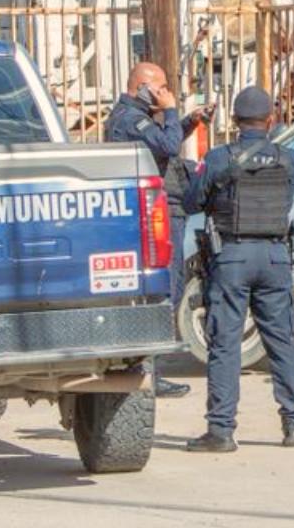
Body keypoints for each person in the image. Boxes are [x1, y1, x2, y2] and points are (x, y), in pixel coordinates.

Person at [183, 86, 294, 453]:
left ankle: (221, 431)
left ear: (235, 122)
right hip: (275, 257)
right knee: (281, 340)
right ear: (271, 120)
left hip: (233, 257)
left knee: (225, 343)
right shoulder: (291, 159)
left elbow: (194, 200)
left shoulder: (220, 158)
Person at [106, 61, 212, 399]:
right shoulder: (129, 119)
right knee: (163, 291)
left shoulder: (139, 118)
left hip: (168, 212)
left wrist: (188, 122)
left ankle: (152, 371)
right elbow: (166, 146)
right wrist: (171, 111)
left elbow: (165, 141)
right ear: (142, 87)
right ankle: (150, 374)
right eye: (161, 87)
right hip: (156, 215)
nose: (166, 93)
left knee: (170, 290)